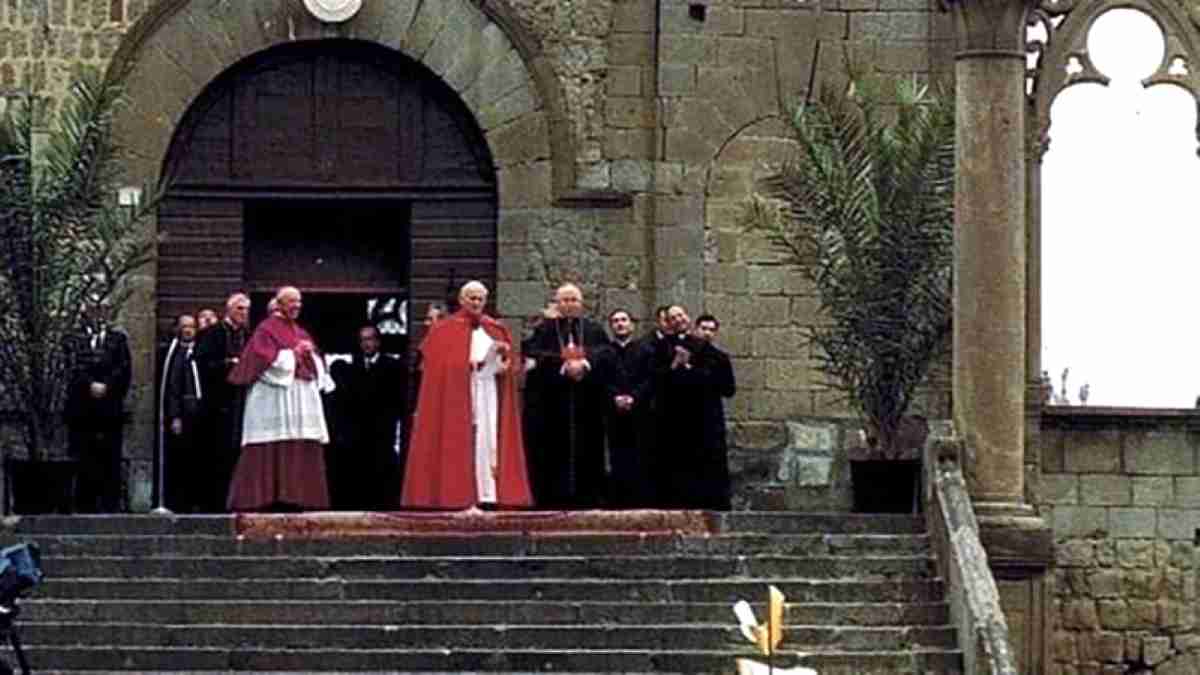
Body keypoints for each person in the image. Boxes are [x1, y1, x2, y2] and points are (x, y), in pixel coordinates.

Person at [402, 281, 532, 510]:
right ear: (462, 300)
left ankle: (487, 492)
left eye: (480, 298)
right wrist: (468, 365)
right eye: (471, 298)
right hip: (457, 394)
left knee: (488, 438)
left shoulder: (495, 329)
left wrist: (504, 365)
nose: (476, 302)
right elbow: (436, 367)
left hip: (488, 390)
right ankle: (456, 493)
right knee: (457, 438)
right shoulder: (444, 330)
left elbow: (510, 366)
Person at [226, 286, 333, 512]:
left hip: (299, 399)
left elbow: (317, 363)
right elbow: (261, 359)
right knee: (269, 447)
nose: (297, 306)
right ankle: (262, 498)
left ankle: (298, 497)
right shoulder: (265, 329)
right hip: (274, 399)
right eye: (292, 302)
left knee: (299, 444)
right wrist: (293, 354)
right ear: (279, 304)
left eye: (299, 302)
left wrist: (308, 353)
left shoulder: (301, 331)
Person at [521, 283, 610, 508]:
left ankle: (587, 496)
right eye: (564, 300)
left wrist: (585, 364)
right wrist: (563, 366)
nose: (569, 304)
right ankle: (552, 497)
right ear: (557, 304)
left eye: (573, 300)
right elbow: (533, 354)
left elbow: (605, 353)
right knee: (552, 450)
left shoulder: (593, 329)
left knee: (588, 448)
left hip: (587, 401)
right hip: (553, 401)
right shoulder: (544, 330)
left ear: (581, 304)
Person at [651, 306, 734, 510]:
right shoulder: (661, 348)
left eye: (680, 315)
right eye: (672, 318)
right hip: (675, 418)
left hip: (705, 418)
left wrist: (688, 367)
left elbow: (725, 387)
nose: (678, 319)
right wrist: (675, 365)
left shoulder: (712, 352)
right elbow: (658, 380)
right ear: (667, 323)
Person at [328, 325, 405, 510]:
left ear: (378, 341)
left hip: (382, 427)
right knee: (359, 466)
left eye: (370, 339)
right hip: (358, 428)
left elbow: (397, 397)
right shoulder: (353, 366)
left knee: (382, 464)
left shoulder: (392, 365)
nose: (367, 344)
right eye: (363, 340)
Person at [65, 304, 132, 513]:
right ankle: (84, 503)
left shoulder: (118, 339)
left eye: (102, 309)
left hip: (110, 408)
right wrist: (88, 385)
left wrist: (107, 386)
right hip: (82, 408)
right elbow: (71, 367)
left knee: (110, 455)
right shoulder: (74, 339)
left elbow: (124, 368)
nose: (97, 315)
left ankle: (109, 503)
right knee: (83, 454)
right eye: (93, 310)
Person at [193, 292, 251, 511]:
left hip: (239, 404)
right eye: (240, 309)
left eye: (246, 309)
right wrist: (229, 363)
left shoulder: (247, 334)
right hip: (216, 404)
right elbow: (202, 363)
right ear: (229, 310)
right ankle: (211, 504)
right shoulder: (212, 333)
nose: (244, 314)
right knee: (213, 455)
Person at [593, 308, 653, 508]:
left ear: (631, 325)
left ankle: (638, 499)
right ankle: (617, 500)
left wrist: (634, 397)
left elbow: (650, 379)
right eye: (615, 321)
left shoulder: (645, 350)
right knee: (616, 455)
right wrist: (615, 397)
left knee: (639, 454)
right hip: (613, 412)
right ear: (611, 327)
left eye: (623, 320)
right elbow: (600, 380)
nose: (620, 324)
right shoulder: (603, 353)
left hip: (639, 412)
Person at [690, 313, 736, 510]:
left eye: (711, 329)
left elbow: (729, 389)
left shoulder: (721, 358)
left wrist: (707, 378)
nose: (707, 333)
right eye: (703, 328)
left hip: (711, 416)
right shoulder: (685, 353)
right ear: (696, 329)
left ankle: (715, 502)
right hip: (690, 415)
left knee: (713, 460)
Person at [158, 314, 204, 512]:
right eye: (184, 327)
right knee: (179, 458)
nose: (188, 330)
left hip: (201, 413)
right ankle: (178, 502)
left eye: (192, 327)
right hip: (183, 413)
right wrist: (175, 415)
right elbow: (172, 386)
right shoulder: (172, 353)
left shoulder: (201, 351)